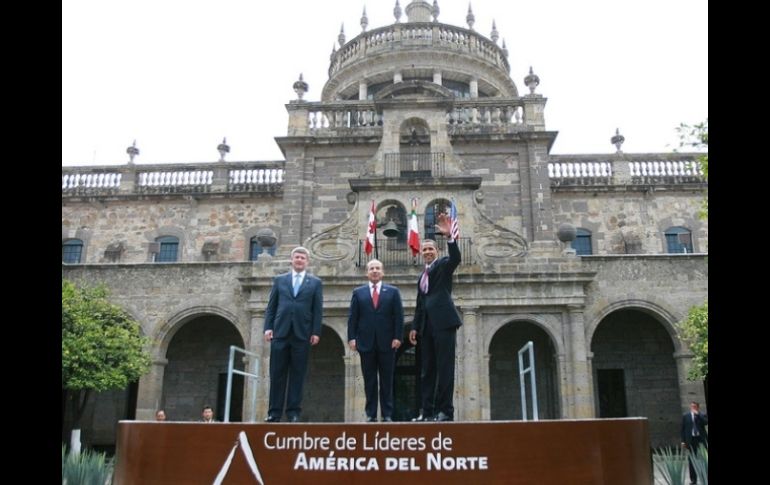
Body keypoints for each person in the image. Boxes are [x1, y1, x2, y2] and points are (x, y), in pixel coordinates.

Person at [409, 212, 462, 422]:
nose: (428, 252)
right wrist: (414, 327)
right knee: (426, 370)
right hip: (426, 327)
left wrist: (450, 237)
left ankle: (445, 411)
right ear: (421, 253)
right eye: (425, 250)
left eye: (431, 249)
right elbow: (420, 304)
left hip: (444, 323)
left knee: (445, 368)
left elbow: (456, 259)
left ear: (437, 252)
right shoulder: (421, 276)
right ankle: (427, 412)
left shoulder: (443, 266)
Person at [264, 246, 323, 423]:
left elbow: (317, 309)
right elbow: (272, 306)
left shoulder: (315, 283)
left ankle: (293, 413)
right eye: (297, 257)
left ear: (307, 262)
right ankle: (274, 413)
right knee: (277, 374)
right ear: (292, 260)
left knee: (298, 374)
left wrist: (316, 331)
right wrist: (268, 327)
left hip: (302, 334)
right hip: (280, 333)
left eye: (302, 258)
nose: (299, 260)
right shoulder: (280, 280)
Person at [347, 259, 404, 422]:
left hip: (388, 342)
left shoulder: (393, 292)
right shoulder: (358, 292)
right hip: (366, 343)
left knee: (387, 380)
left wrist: (398, 337)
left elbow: (398, 316)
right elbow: (353, 317)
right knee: (369, 381)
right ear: (367, 273)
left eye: (377, 268)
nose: (374, 271)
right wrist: (352, 338)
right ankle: (370, 414)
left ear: (382, 272)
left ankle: (387, 414)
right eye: (371, 268)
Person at [680, 401, 708, 484]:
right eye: (692, 406)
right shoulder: (686, 416)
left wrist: (698, 415)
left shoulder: (702, 415)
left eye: (695, 406)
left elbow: (705, 422)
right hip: (691, 440)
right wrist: (683, 441)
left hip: (701, 440)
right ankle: (693, 480)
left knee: (703, 458)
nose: (693, 408)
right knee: (692, 460)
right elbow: (683, 429)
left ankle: (705, 478)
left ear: (698, 407)